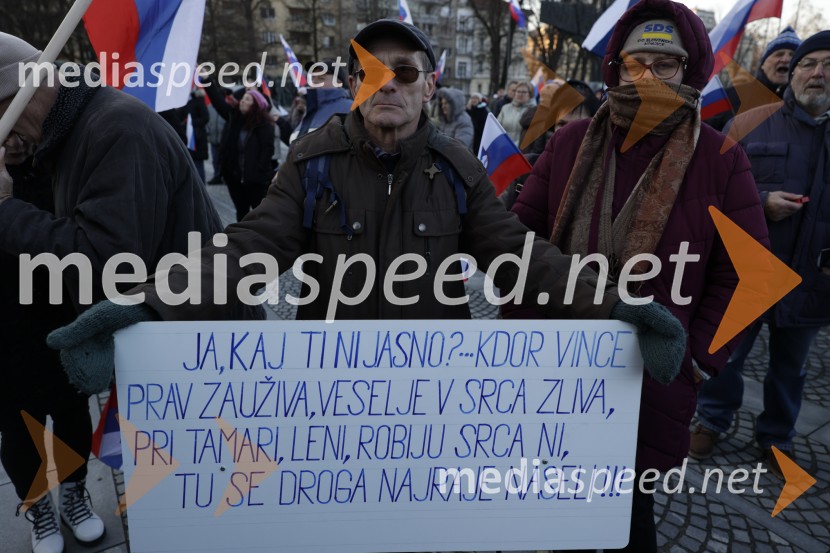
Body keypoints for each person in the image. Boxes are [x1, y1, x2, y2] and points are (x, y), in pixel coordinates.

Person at [46, 20, 687, 432]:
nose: (389, 84)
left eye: (404, 71)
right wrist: (149, 309)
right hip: (332, 389)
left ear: (428, 85)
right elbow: (245, 250)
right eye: (370, 72)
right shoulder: (311, 159)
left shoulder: (456, 166)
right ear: (354, 85)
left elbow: (523, 256)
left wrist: (617, 309)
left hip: (435, 389)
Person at [508, 1, 769, 550]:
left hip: (650, 379)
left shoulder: (721, 159)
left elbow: (749, 277)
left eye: (665, 64)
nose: (648, 76)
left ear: (689, 70)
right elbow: (516, 244)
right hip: (557, 364)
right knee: (546, 504)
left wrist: (696, 359)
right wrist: (524, 332)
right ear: (616, 68)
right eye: (635, 62)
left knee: (628, 520)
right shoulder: (568, 143)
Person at [0, 32, 223, 553]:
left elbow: (107, 264)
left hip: (188, 343)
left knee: (202, 494)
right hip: (165, 336)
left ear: (22, 94)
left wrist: (6, 212)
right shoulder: (77, 131)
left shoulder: (113, 129)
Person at [691, 30, 830, 475]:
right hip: (748, 269)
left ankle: (776, 437)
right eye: (808, 64)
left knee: (791, 367)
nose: (817, 73)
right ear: (792, 74)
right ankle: (712, 420)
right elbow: (713, 187)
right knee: (726, 354)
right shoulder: (751, 120)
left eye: (828, 65)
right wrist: (764, 199)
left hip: (814, 278)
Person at [705, 26, 801, 130]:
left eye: (792, 55)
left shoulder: (805, 105)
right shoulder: (731, 97)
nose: (786, 59)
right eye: (779, 54)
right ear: (763, 64)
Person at [205, 84, 276, 221]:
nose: (243, 100)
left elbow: (267, 150)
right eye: (243, 98)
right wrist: (207, 80)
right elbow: (217, 101)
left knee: (259, 214)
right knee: (241, 212)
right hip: (234, 179)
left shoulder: (263, 124)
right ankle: (243, 240)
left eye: (248, 99)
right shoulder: (234, 118)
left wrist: (258, 171)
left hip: (255, 180)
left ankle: (261, 240)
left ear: (256, 105)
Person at [289, 59, 353, 142]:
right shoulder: (308, 109)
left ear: (338, 83)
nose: (314, 82)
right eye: (312, 78)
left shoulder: (351, 108)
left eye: (321, 78)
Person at [497, 80, 535, 145]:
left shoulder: (534, 110)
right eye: (518, 91)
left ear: (530, 94)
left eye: (524, 92)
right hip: (503, 146)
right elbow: (497, 128)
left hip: (522, 150)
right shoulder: (505, 108)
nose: (520, 94)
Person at [206, 93, 226, 184]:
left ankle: (224, 177)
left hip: (224, 138)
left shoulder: (226, 106)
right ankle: (216, 176)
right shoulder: (210, 107)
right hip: (213, 137)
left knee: (224, 159)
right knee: (215, 158)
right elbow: (207, 120)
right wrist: (208, 131)